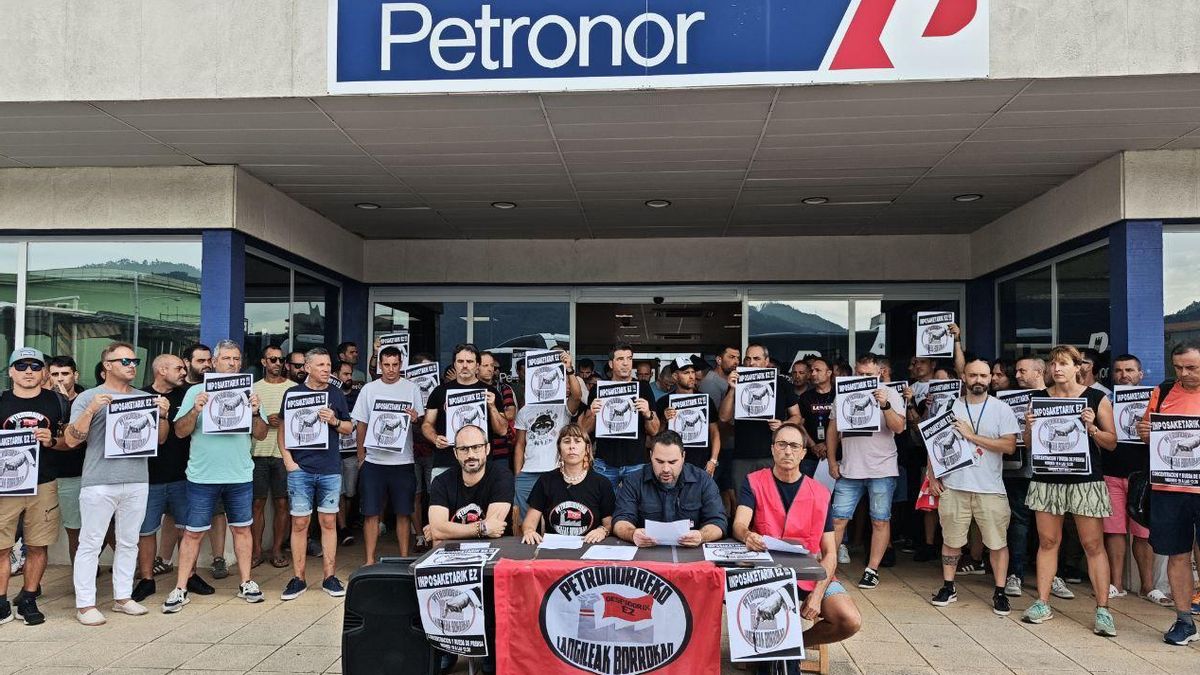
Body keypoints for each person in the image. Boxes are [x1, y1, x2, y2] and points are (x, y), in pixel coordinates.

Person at [733, 424, 861, 673]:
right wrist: (747, 535)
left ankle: (792, 645)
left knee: (849, 620)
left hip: (809, 576)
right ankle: (769, 649)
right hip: (766, 574)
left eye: (794, 446)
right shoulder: (754, 482)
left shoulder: (820, 493)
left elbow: (830, 553)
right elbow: (739, 524)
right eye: (781, 444)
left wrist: (818, 593)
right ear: (772, 449)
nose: (787, 451)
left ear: (803, 452)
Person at [65, 342, 170, 625]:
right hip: (99, 480)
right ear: (107, 366)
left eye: (134, 361)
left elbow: (160, 439)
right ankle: (85, 604)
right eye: (124, 361)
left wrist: (163, 415)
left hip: (137, 479)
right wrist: (91, 410)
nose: (131, 365)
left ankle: (123, 597)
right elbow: (72, 439)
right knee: (90, 542)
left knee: (129, 541)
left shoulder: (144, 397)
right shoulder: (89, 397)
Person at [163, 340, 269, 614]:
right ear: (214, 362)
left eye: (236, 359)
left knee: (242, 529)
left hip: (239, 474)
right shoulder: (196, 391)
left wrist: (255, 413)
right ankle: (181, 588)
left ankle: (246, 582)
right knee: (193, 532)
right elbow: (179, 432)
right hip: (203, 475)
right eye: (226, 358)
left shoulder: (249, 391)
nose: (232, 363)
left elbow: (261, 434)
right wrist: (196, 409)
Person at [1020, 345, 1118, 636]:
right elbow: (1029, 444)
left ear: (1079, 367)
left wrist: (1092, 428)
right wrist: (1029, 427)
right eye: (1053, 364)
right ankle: (1042, 602)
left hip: (1085, 480)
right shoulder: (1038, 398)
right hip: (1047, 478)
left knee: (1093, 544)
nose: (1057, 369)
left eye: (1063, 363)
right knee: (1048, 541)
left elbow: (1112, 443)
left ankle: (1103, 609)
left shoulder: (1096, 398)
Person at [924, 357, 1021, 616]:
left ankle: (1000, 592)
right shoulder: (949, 407)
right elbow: (934, 444)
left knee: (997, 543)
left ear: (990, 378)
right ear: (964, 378)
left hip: (990, 487)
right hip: (954, 485)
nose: (978, 380)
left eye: (983, 375)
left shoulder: (1001, 409)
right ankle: (948, 586)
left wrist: (971, 436)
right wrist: (932, 476)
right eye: (973, 375)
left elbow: (1009, 446)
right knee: (951, 540)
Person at [426, 423, 513, 675]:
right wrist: (480, 528)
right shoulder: (442, 480)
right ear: (455, 453)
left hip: (492, 557)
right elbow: (437, 528)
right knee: (437, 583)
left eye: (476, 447)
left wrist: (448, 529)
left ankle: (489, 648)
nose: (471, 454)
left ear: (487, 449)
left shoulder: (501, 476)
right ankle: (447, 647)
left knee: (490, 593)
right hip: (452, 558)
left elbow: (496, 527)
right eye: (464, 449)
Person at [0, 348, 72, 625]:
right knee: (2, 547)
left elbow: (71, 442)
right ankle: (1, 601)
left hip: (44, 482)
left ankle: (29, 599)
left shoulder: (58, 402)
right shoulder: (2, 401)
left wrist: (52, 441)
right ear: (11, 371)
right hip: (6, 486)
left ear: (44, 372)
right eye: (21, 366)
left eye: (34, 366)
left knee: (37, 545)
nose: (28, 371)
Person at [1137, 341, 1200, 645]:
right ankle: (1184, 621)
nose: (1184, 373)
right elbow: (1147, 430)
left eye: (1191, 367)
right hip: (1169, 487)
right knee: (1177, 553)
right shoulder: (1162, 391)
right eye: (1178, 367)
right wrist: (1145, 432)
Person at [826, 353, 906, 589]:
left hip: (882, 468)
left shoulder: (890, 393)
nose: (862, 377)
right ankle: (829, 567)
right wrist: (832, 461)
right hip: (850, 468)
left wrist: (885, 404)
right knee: (837, 519)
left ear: (880, 373)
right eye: (859, 373)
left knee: (880, 520)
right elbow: (832, 430)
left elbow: (899, 428)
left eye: (868, 374)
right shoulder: (843, 393)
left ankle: (872, 569)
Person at [279, 348, 353, 600]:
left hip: (329, 468)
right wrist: (288, 461)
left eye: (328, 364)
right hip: (300, 469)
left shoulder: (336, 394)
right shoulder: (293, 393)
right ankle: (298, 578)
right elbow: (283, 430)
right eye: (320, 365)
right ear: (307, 368)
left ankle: (329, 577)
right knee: (300, 523)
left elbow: (348, 427)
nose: (326, 369)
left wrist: (334, 421)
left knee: (328, 522)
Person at [131, 355, 195, 603]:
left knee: (187, 530)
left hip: (183, 475)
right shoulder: (140, 397)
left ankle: (189, 577)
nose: (183, 372)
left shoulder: (188, 395)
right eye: (178, 368)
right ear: (161, 370)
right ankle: (147, 579)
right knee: (146, 531)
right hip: (149, 476)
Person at [352, 346, 423, 563]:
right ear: (380, 365)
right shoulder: (369, 389)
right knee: (370, 513)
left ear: (401, 365)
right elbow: (361, 424)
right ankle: (369, 560)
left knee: (403, 512)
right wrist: (361, 457)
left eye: (395, 365)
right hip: (374, 461)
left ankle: (404, 558)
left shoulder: (411, 388)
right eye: (386, 365)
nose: (391, 369)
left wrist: (415, 419)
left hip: (403, 461)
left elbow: (420, 423)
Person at [718, 344, 803, 502]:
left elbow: (797, 416)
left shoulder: (782, 383)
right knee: (743, 503)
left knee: (773, 502)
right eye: (748, 359)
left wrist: (783, 425)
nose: (751, 363)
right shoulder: (738, 382)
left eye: (756, 358)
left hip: (773, 455)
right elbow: (723, 417)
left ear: (766, 361)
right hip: (743, 455)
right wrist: (732, 389)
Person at [612, 430, 726, 547]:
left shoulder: (702, 480)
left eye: (672, 462)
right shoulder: (634, 481)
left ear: (683, 457)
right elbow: (620, 520)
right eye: (659, 461)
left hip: (689, 552)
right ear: (651, 456)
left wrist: (702, 536)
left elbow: (718, 522)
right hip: (646, 551)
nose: (666, 469)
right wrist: (632, 534)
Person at [1103, 354, 1155, 601]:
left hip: (1143, 476)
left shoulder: (1155, 401)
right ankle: (1116, 584)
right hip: (1111, 473)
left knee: (1144, 533)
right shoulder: (1106, 402)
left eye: (1130, 370)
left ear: (1140, 374)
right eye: (1119, 371)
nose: (1124, 375)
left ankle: (1148, 587)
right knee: (1114, 531)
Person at [422, 344, 509, 481]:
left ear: (477, 365)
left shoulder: (490, 392)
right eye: (460, 361)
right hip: (445, 462)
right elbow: (427, 424)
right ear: (454, 364)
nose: (464, 366)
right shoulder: (439, 391)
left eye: (469, 361)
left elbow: (502, 430)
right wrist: (435, 438)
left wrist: (492, 407)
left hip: (480, 464)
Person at [580, 343, 660, 489]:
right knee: (604, 502)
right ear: (611, 364)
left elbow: (654, 430)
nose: (626, 363)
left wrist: (648, 414)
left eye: (629, 358)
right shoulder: (598, 389)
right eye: (620, 359)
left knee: (636, 502)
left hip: (636, 462)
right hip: (605, 462)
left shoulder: (643, 388)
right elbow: (584, 429)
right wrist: (592, 413)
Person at [513, 350, 582, 518]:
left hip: (555, 471)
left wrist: (569, 370)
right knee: (523, 520)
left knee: (556, 518)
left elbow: (577, 396)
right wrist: (518, 474)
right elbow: (520, 444)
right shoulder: (524, 410)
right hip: (528, 473)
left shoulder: (562, 407)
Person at [520, 424, 614, 544]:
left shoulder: (602, 483)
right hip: (553, 548)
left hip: (590, 546)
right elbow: (530, 522)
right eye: (566, 441)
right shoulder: (545, 481)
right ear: (559, 448)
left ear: (587, 448)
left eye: (577, 441)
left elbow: (609, 523)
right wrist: (529, 531)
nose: (572, 446)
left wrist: (602, 530)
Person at [181, 342, 228, 580]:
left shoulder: (232, 389)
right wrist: (195, 409)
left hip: (217, 466)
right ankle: (184, 575)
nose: (207, 365)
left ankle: (218, 558)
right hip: (188, 464)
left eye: (209, 360)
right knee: (185, 521)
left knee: (218, 513)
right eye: (201, 361)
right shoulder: (185, 390)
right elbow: (179, 429)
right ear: (187, 363)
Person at [250, 345, 295, 570]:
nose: (277, 363)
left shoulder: (293, 388)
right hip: (257, 453)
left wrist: (283, 421)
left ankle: (277, 549)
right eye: (272, 359)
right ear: (263, 362)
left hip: (283, 454)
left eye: (281, 359)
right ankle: (256, 551)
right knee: (257, 504)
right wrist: (264, 420)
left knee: (282, 503)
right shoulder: (253, 389)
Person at [43, 355, 87, 563]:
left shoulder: (85, 400)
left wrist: (64, 403)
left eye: (65, 373)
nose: (60, 378)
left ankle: (81, 574)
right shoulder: (44, 402)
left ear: (75, 375)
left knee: (76, 530)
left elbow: (74, 441)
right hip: (46, 475)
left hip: (76, 473)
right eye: (55, 374)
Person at [655, 356, 720, 473]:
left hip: (701, 463)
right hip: (671, 464)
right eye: (686, 373)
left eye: (693, 372)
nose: (691, 376)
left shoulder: (706, 400)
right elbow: (655, 438)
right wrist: (664, 420)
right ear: (675, 376)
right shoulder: (663, 402)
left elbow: (714, 432)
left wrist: (713, 460)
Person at [334, 359, 363, 546]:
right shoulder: (331, 395)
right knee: (339, 492)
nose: (349, 378)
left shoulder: (358, 396)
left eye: (350, 374)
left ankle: (347, 523)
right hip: (334, 453)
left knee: (350, 493)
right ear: (335, 376)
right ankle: (343, 528)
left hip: (352, 451)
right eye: (345, 374)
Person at [477, 351, 518, 471]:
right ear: (476, 367)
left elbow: (511, 414)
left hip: (500, 449)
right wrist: (497, 416)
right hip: (476, 448)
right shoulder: (469, 390)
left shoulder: (503, 388)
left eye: (492, 366)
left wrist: (491, 413)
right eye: (485, 365)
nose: (490, 369)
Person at [797, 357, 836, 479]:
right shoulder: (805, 397)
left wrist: (827, 444)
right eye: (812, 370)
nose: (813, 373)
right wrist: (813, 445)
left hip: (837, 454)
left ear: (828, 373)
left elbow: (846, 424)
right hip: (810, 454)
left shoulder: (838, 394)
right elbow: (799, 423)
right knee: (807, 488)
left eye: (818, 370)